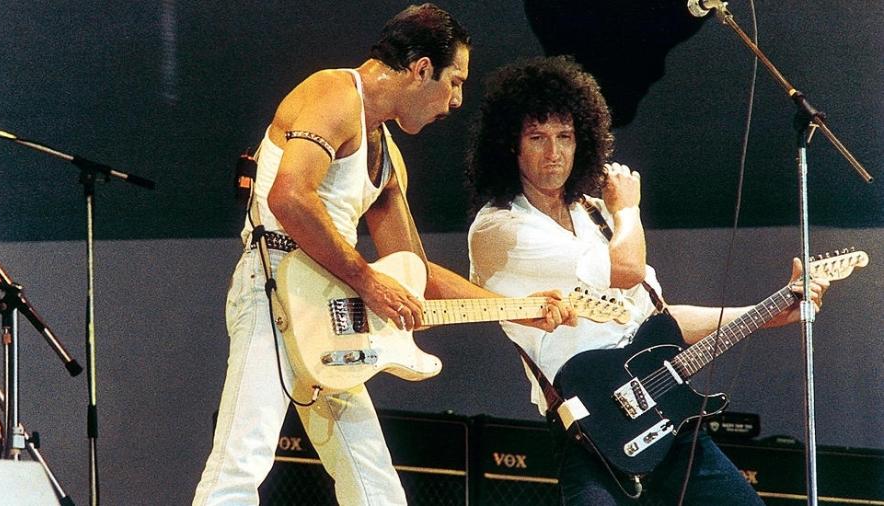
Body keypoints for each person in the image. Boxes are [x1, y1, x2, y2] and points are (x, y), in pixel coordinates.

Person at [193, 6, 572, 506]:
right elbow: (289, 197)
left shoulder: (387, 157)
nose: (456, 101)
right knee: (241, 463)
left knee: (374, 483)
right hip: (273, 288)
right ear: (420, 70)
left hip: (331, 309)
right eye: (455, 82)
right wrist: (369, 282)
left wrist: (522, 306)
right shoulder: (333, 92)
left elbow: (414, 272)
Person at [465, 56, 829, 505]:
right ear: (510, 146)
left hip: (667, 420)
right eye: (537, 137)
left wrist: (770, 311)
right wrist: (629, 209)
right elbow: (627, 271)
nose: (554, 153)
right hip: (591, 433)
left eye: (565, 136)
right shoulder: (499, 228)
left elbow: (658, 319)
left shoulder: (595, 215)